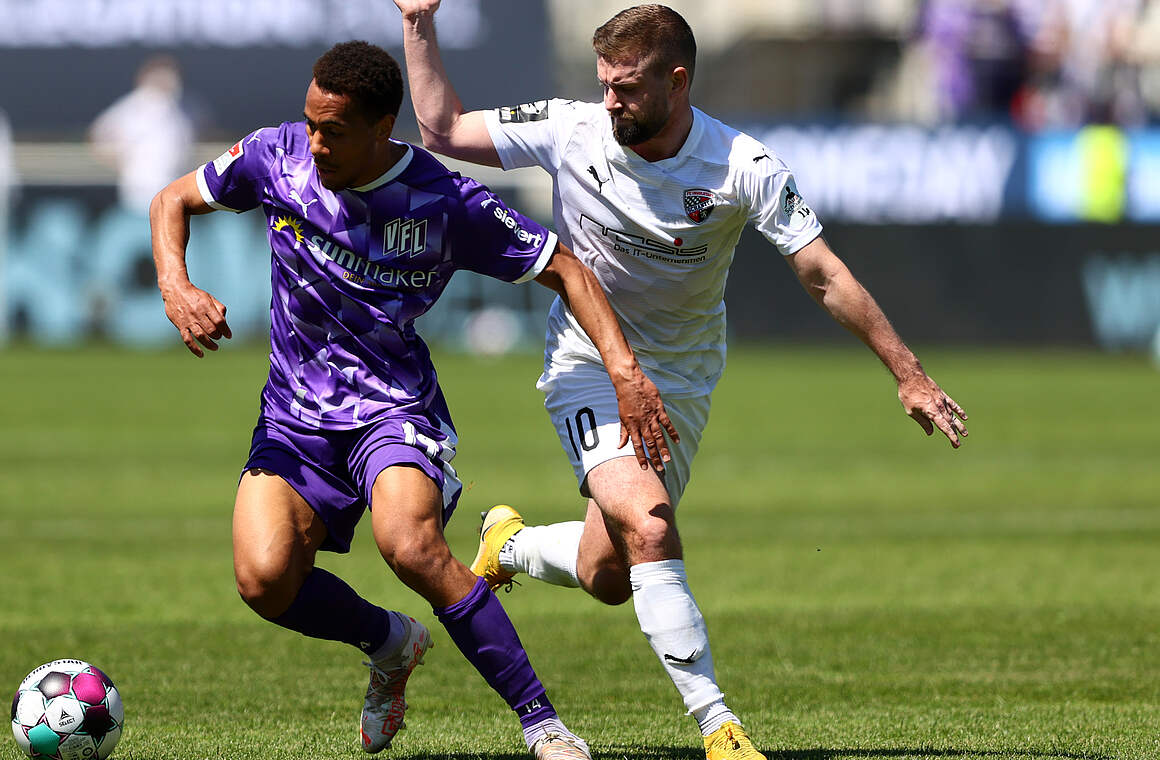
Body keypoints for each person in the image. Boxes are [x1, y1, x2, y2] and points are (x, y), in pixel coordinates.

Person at [394, 3, 971, 759]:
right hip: (588, 368)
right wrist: (418, 20)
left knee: (610, 569)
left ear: (677, 79)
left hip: (684, 383)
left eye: (627, 87)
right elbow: (443, 131)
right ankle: (717, 725)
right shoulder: (572, 128)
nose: (610, 102)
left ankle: (513, 548)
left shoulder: (742, 165)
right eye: (604, 83)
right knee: (653, 525)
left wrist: (910, 375)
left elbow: (823, 274)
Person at [149, 40, 674, 760]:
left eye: (333, 130)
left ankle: (542, 724)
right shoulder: (275, 157)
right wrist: (177, 286)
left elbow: (566, 270)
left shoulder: (444, 200)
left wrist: (624, 372)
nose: (315, 143)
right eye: (309, 123)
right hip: (293, 420)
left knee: (412, 546)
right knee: (264, 580)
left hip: (393, 410)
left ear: (382, 127)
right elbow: (171, 198)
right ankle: (390, 642)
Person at [92, 55, 196, 214]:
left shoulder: (182, 109)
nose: (168, 82)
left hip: (173, 189)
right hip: (138, 192)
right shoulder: (131, 108)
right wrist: (120, 163)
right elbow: (99, 136)